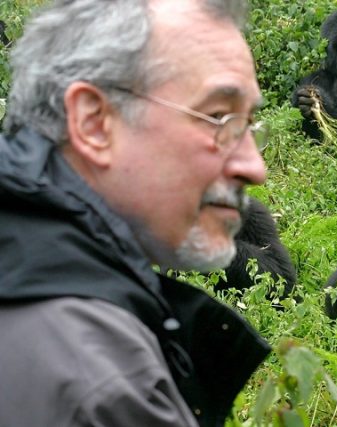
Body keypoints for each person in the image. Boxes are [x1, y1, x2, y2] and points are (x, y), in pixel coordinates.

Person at [0, 1, 271, 426]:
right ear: (94, 123)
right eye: (218, 117)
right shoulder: (100, 379)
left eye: (249, 125)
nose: (255, 167)